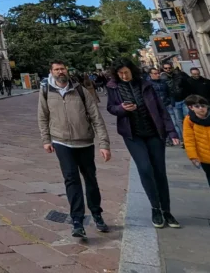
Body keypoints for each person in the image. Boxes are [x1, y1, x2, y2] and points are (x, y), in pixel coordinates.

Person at [38, 60, 111, 239]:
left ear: (67, 70)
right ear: (51, 72)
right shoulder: (46, 91)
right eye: (56, 69)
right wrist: (46, 140)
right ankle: (77, 220)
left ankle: (97, 214)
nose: (60, 72)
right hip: (61, 142)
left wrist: (104, 144)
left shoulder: (80, 90)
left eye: (62, 68)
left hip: (84, 141)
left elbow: (96, 118)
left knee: (90, 179)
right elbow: (42, 116)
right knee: (71, 180)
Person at [106, 58, 180, 229]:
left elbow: (161, 109)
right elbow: (111, 108)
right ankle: (155, 208)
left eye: (126, 72)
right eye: (120, 73)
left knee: (160, 172)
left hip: (154, 132)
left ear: (132, 70)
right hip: (133, 135)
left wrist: (172, 131)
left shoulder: (146, 85)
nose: (124, 76)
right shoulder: (113, 87)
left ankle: (166, 210)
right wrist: (123, 109)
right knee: (145, 168)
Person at [162, 62, 187, 144]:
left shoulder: (178, 75)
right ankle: (183, 138)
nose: (168, 69)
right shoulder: (162, 79)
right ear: (163, 69)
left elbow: (186, 85)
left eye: (169, 68)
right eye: (166, 68)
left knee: (187, 118)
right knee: (178, 121)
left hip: (183, 99)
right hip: (173, 102)